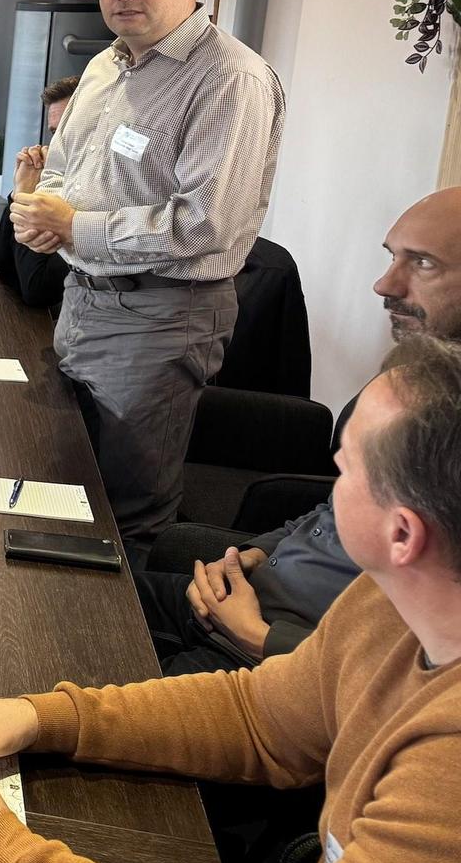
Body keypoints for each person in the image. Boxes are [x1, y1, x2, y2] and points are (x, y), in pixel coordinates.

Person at [0, 335, 461, 863]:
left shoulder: (449, 763)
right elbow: (260, 716)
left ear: (402, 533)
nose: (328, 488)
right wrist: (42, 717)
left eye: (345, 470)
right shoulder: (389, 604)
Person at [10, 0, 286, 551]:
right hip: (84, 299)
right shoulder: (107, 65)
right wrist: (43, 216)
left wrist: (76, 226)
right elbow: (68, 168)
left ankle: (119, 651)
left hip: (163, 313)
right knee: (64, 484)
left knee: (125, 511)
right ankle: (52, 640)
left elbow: (204, 223)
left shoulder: (231, 78)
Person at [136, 186, 461, 674]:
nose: (384, 284)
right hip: (248, 600)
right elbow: (331, 511)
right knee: (62, 593)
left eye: (423, 264)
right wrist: (253, 554)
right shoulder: (416, 377)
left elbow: (425, 675)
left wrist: (263, 638)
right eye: (392, 257)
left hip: (284, 666)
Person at [0, 75, 77, 307]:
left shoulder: (94, 192)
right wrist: (19, 195)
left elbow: (37, 290)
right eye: (54, 133)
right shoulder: (55, 180)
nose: (57, 145)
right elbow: (5, 265)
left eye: (68, 132)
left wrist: (28, 197)